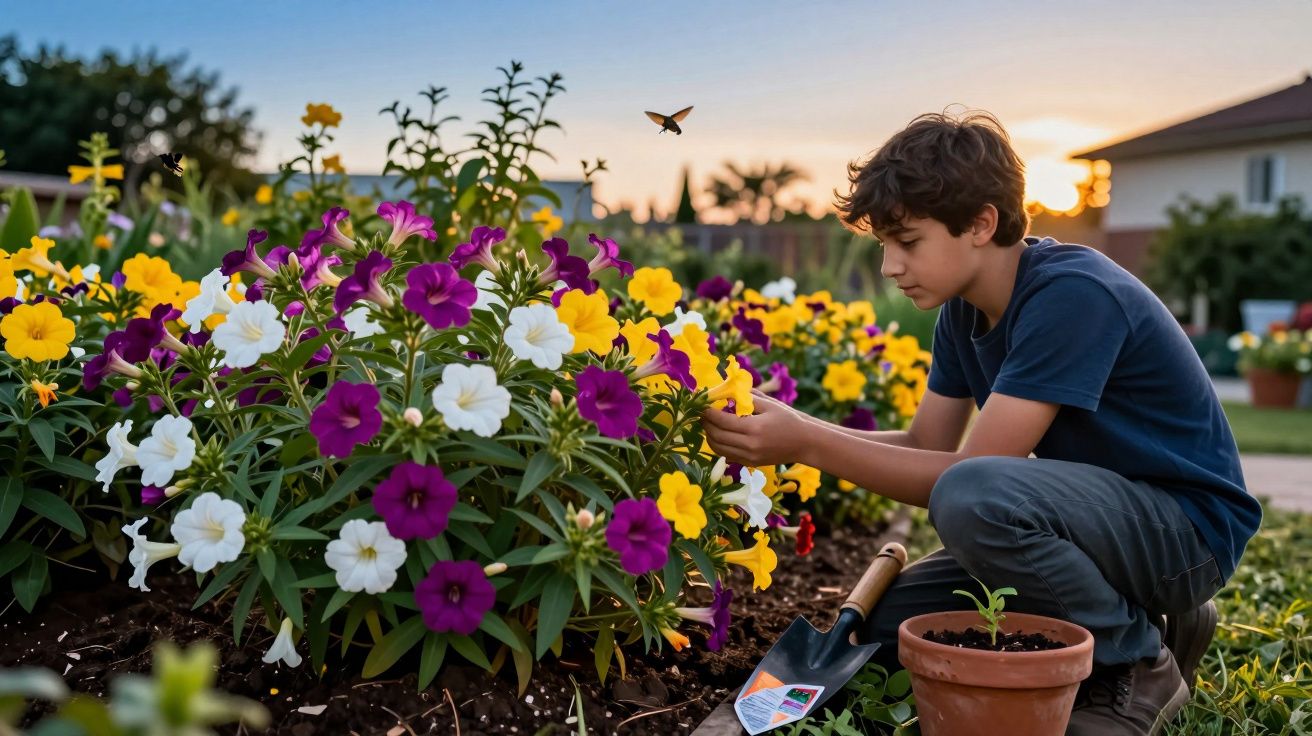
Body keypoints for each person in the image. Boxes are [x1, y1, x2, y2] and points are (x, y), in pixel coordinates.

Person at [700, 110, 1262, 735]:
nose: (889, 266)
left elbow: (966, 479)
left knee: (973, 498)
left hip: (1187, 536)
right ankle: (1152, 618)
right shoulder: (962, 316)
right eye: (884, 245)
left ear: (981, 223)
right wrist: (795, 432)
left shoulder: (1072, 295)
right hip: (1103, 533)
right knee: (889, 629)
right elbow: (923, 446)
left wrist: (805, 440)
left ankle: (1133, 662)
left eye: (907, 242)